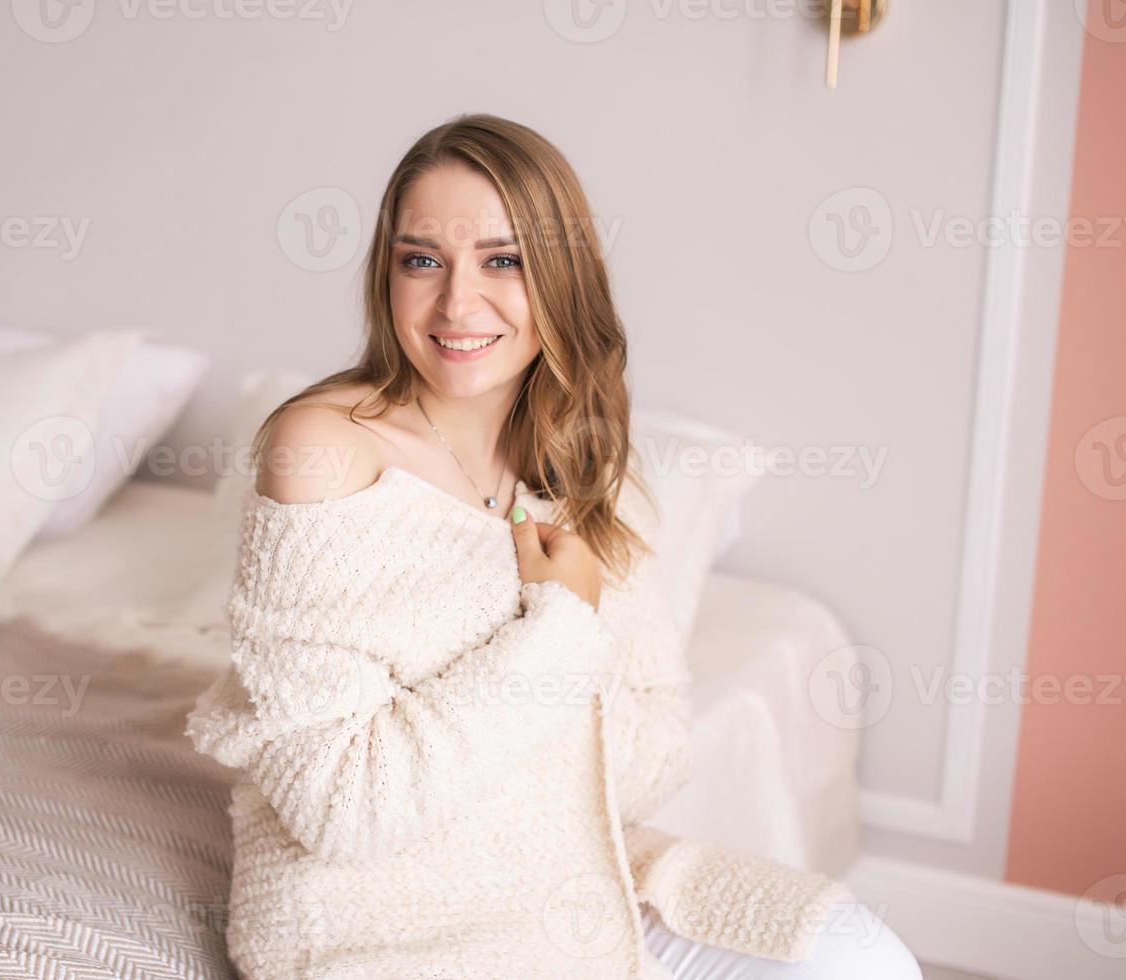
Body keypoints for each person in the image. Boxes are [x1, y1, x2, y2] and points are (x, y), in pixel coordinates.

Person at [187, 112, 922, 979]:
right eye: (422, 260)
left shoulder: (582, 466)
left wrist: (492, 742)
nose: (458, 303)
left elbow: (655, 753)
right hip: (379, 929)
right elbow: (348, 809)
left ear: (562, 279)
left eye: (503, 261)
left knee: (861, 958)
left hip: (571, 884)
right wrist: (561, 625)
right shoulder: (325, 450)